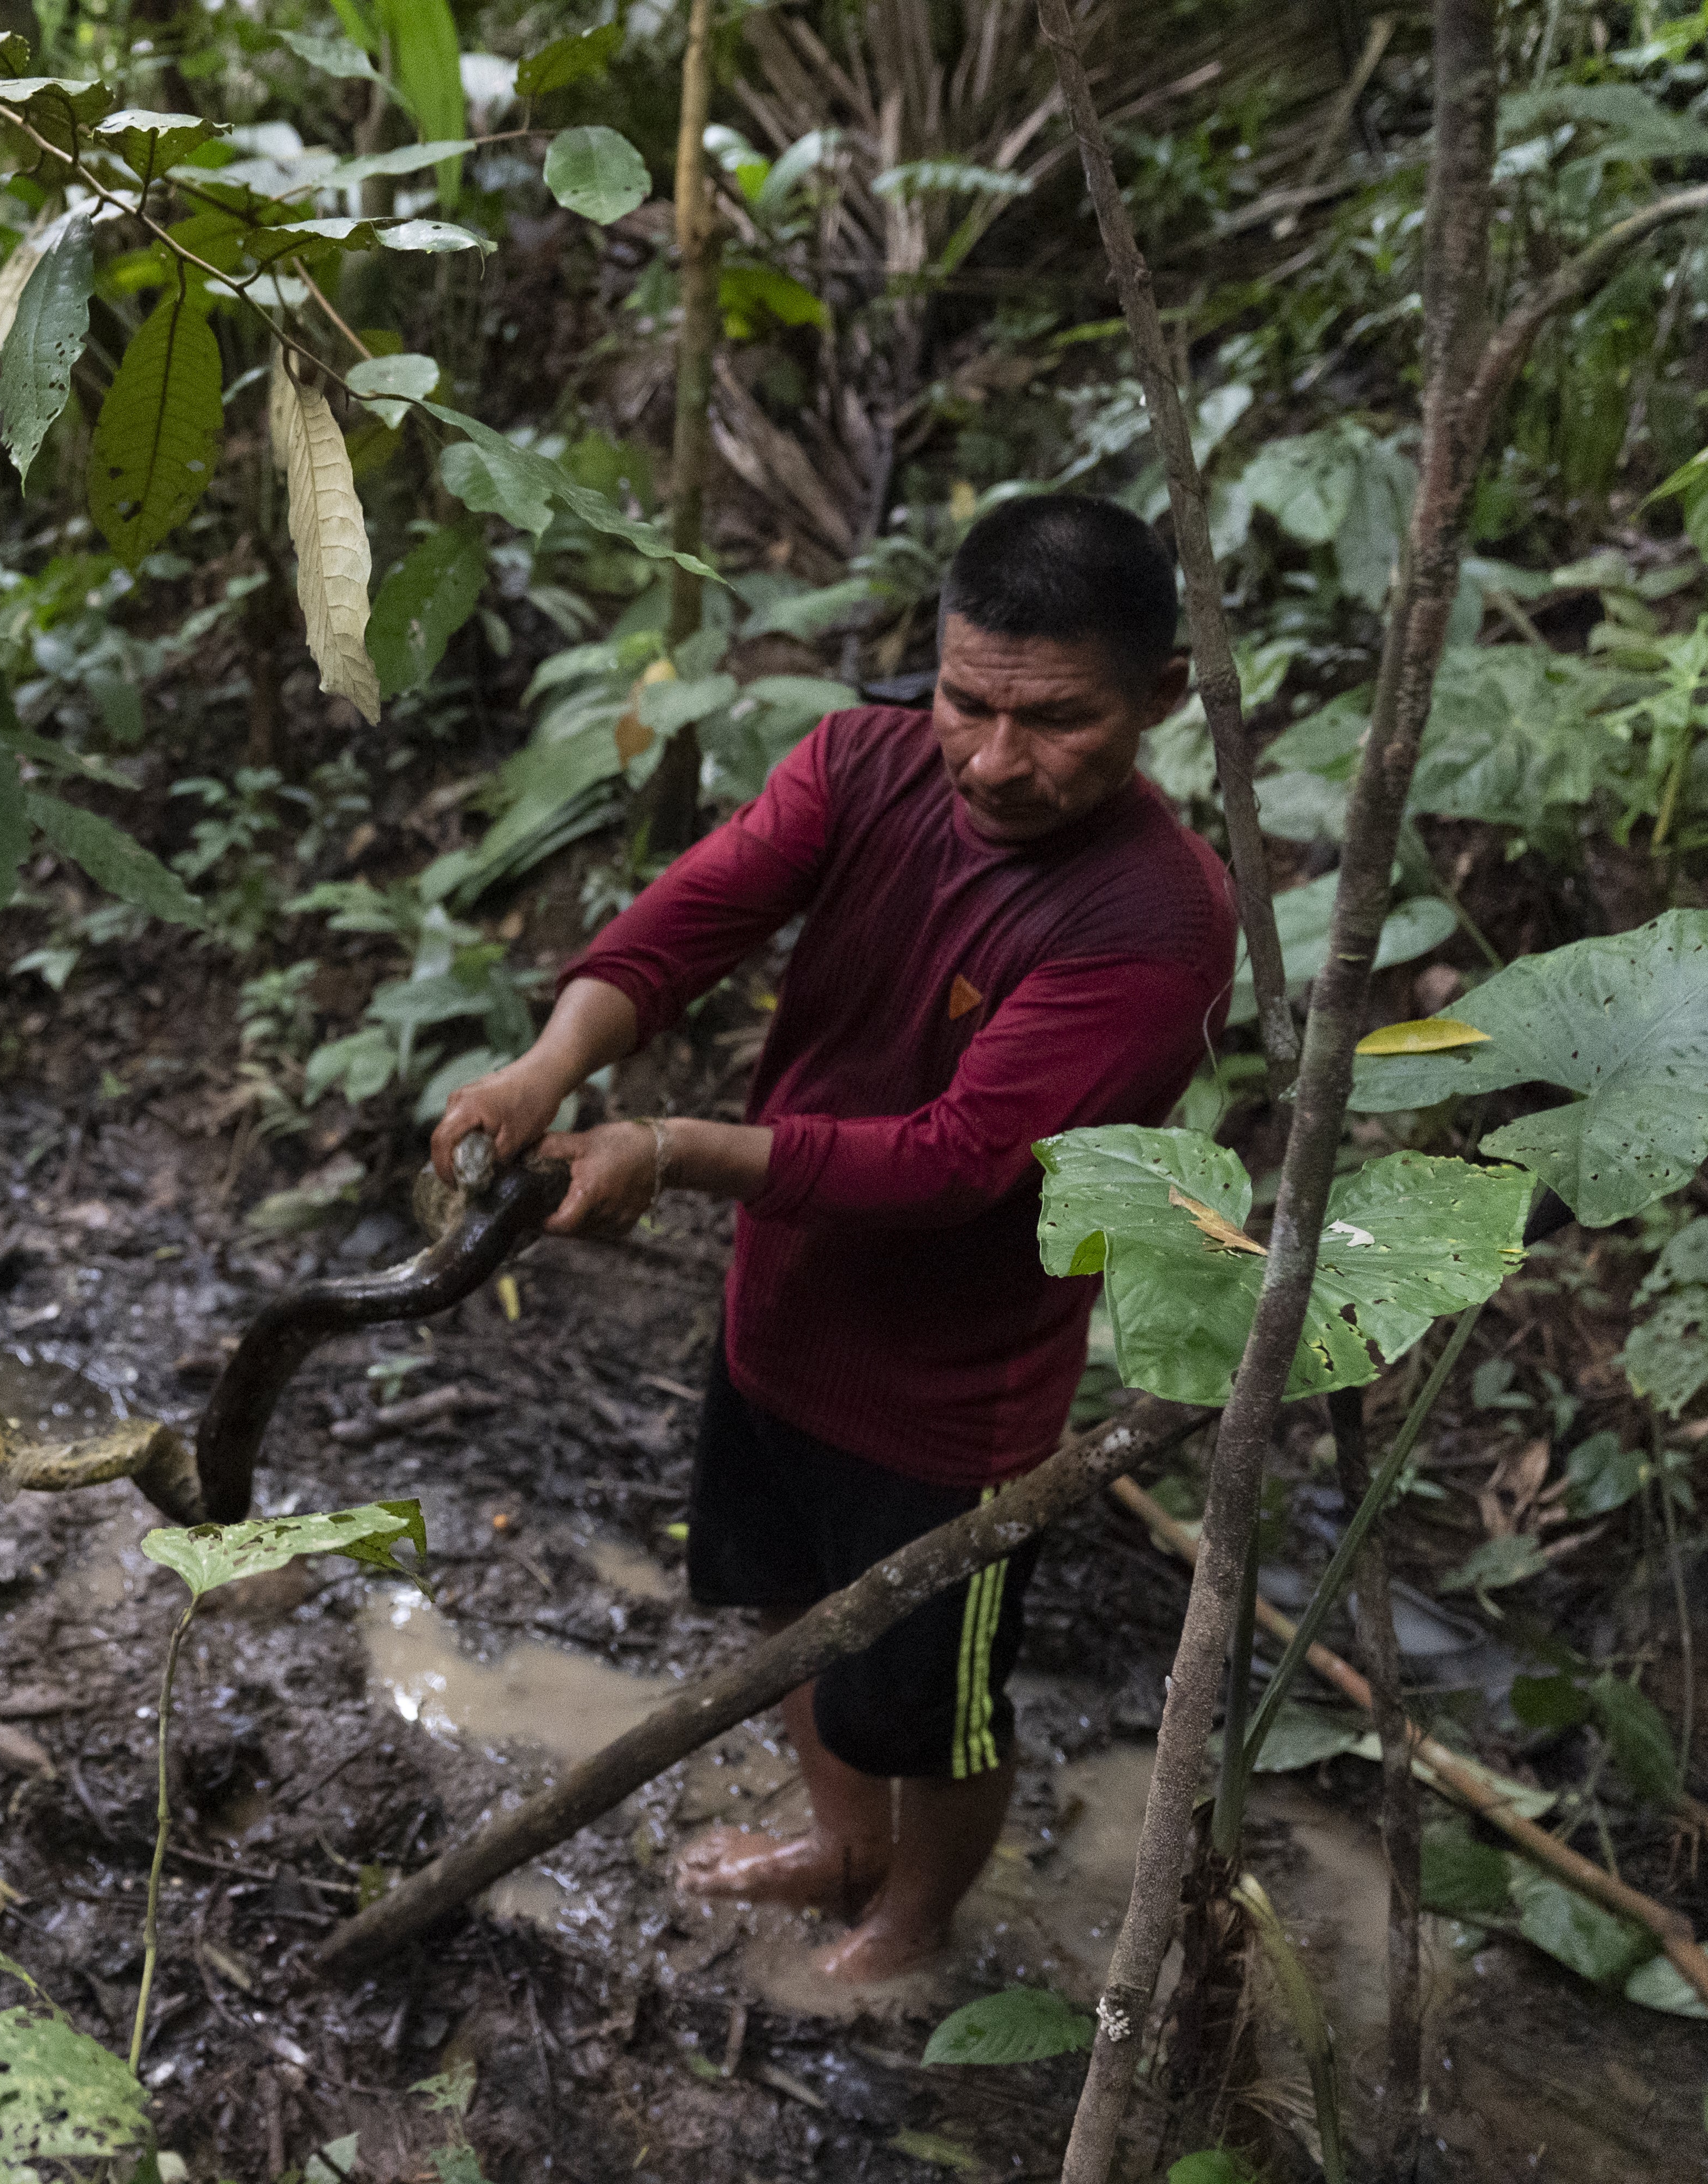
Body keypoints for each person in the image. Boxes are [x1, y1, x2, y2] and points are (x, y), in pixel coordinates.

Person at [432, 494, 1235, 1981]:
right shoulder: (865, 764)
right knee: (792, 1610)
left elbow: (958, 1164)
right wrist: (552, 1065)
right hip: (781, 1316)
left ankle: (915, 1917)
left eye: (1054, 722)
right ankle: (839, 1847)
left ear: (1161, 701)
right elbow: (693, 917)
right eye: (966, 703)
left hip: (957, 1402)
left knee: (927, 1705)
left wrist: (669, 1150)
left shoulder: (1157, 918)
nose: (995, 762)